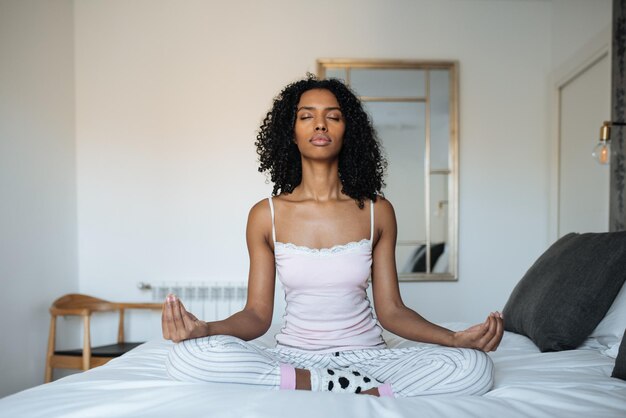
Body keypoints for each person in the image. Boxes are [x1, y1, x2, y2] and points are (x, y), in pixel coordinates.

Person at [162, 75, 503, 398]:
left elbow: (392, 311)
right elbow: (256, 315)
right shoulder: (265, 215)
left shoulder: (376, 211)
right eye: (306, 116)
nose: (320, 124)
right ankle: (355, 389)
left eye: (333, 117)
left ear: (346, 131)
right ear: (291, 133)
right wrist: (204, 330)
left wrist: (454, 338)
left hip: (368, 356)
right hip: (295, 358)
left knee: (474, 366)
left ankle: (316, 386)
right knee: (186, 357)